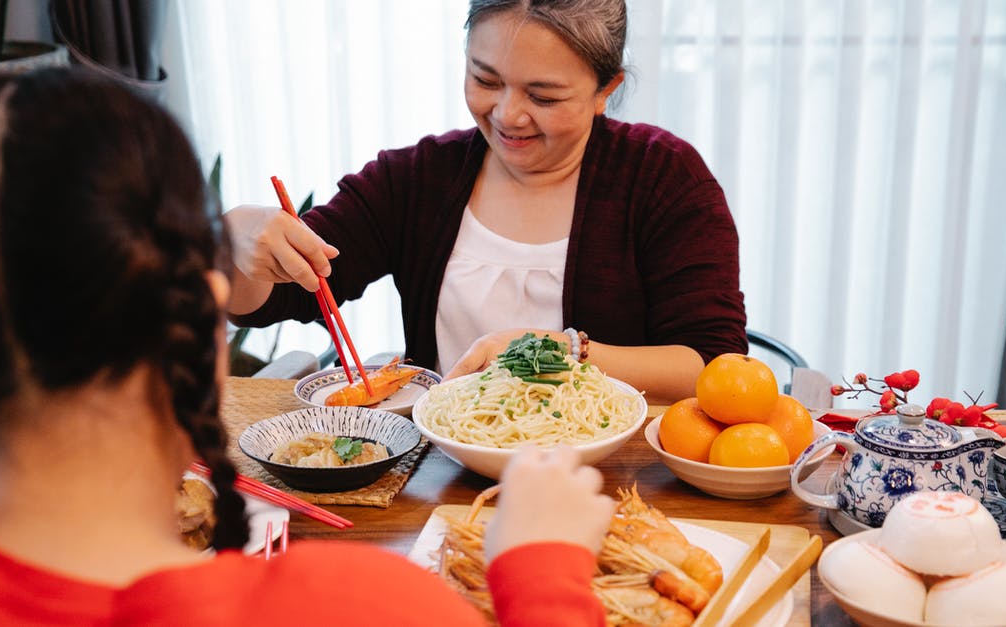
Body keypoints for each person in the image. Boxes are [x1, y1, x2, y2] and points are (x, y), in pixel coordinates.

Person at [0, 68, 616, 626]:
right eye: (485, 79)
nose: (507, 113)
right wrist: (541, 573)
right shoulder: (362, 607)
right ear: (205, 312)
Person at [226, 0, 747, 404]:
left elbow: (713, 363)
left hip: (613, 479)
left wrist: (554, 355)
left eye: (543, 96)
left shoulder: (664, 179)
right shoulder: (418, 178)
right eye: (485, 80)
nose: (507, 115)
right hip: (441, 475)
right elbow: (277, 296)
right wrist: (234, 241)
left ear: (604, 89)